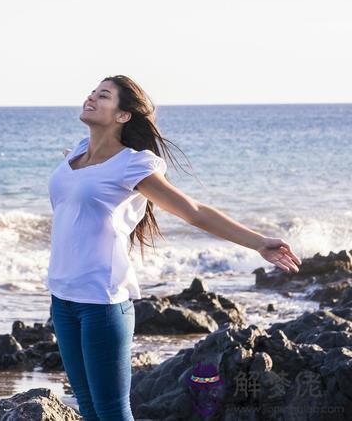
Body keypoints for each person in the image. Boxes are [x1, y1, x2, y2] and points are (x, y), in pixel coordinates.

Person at [45, 75, 302, 421]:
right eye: (92, 92)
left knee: (111, 411)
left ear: (123, 116)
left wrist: (258, 242)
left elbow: (194, 212)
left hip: (102, 303)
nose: (90, 98)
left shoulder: (132, 164)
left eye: (103, 96)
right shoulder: (76, 152)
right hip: (62, 298)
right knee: (87, 406)